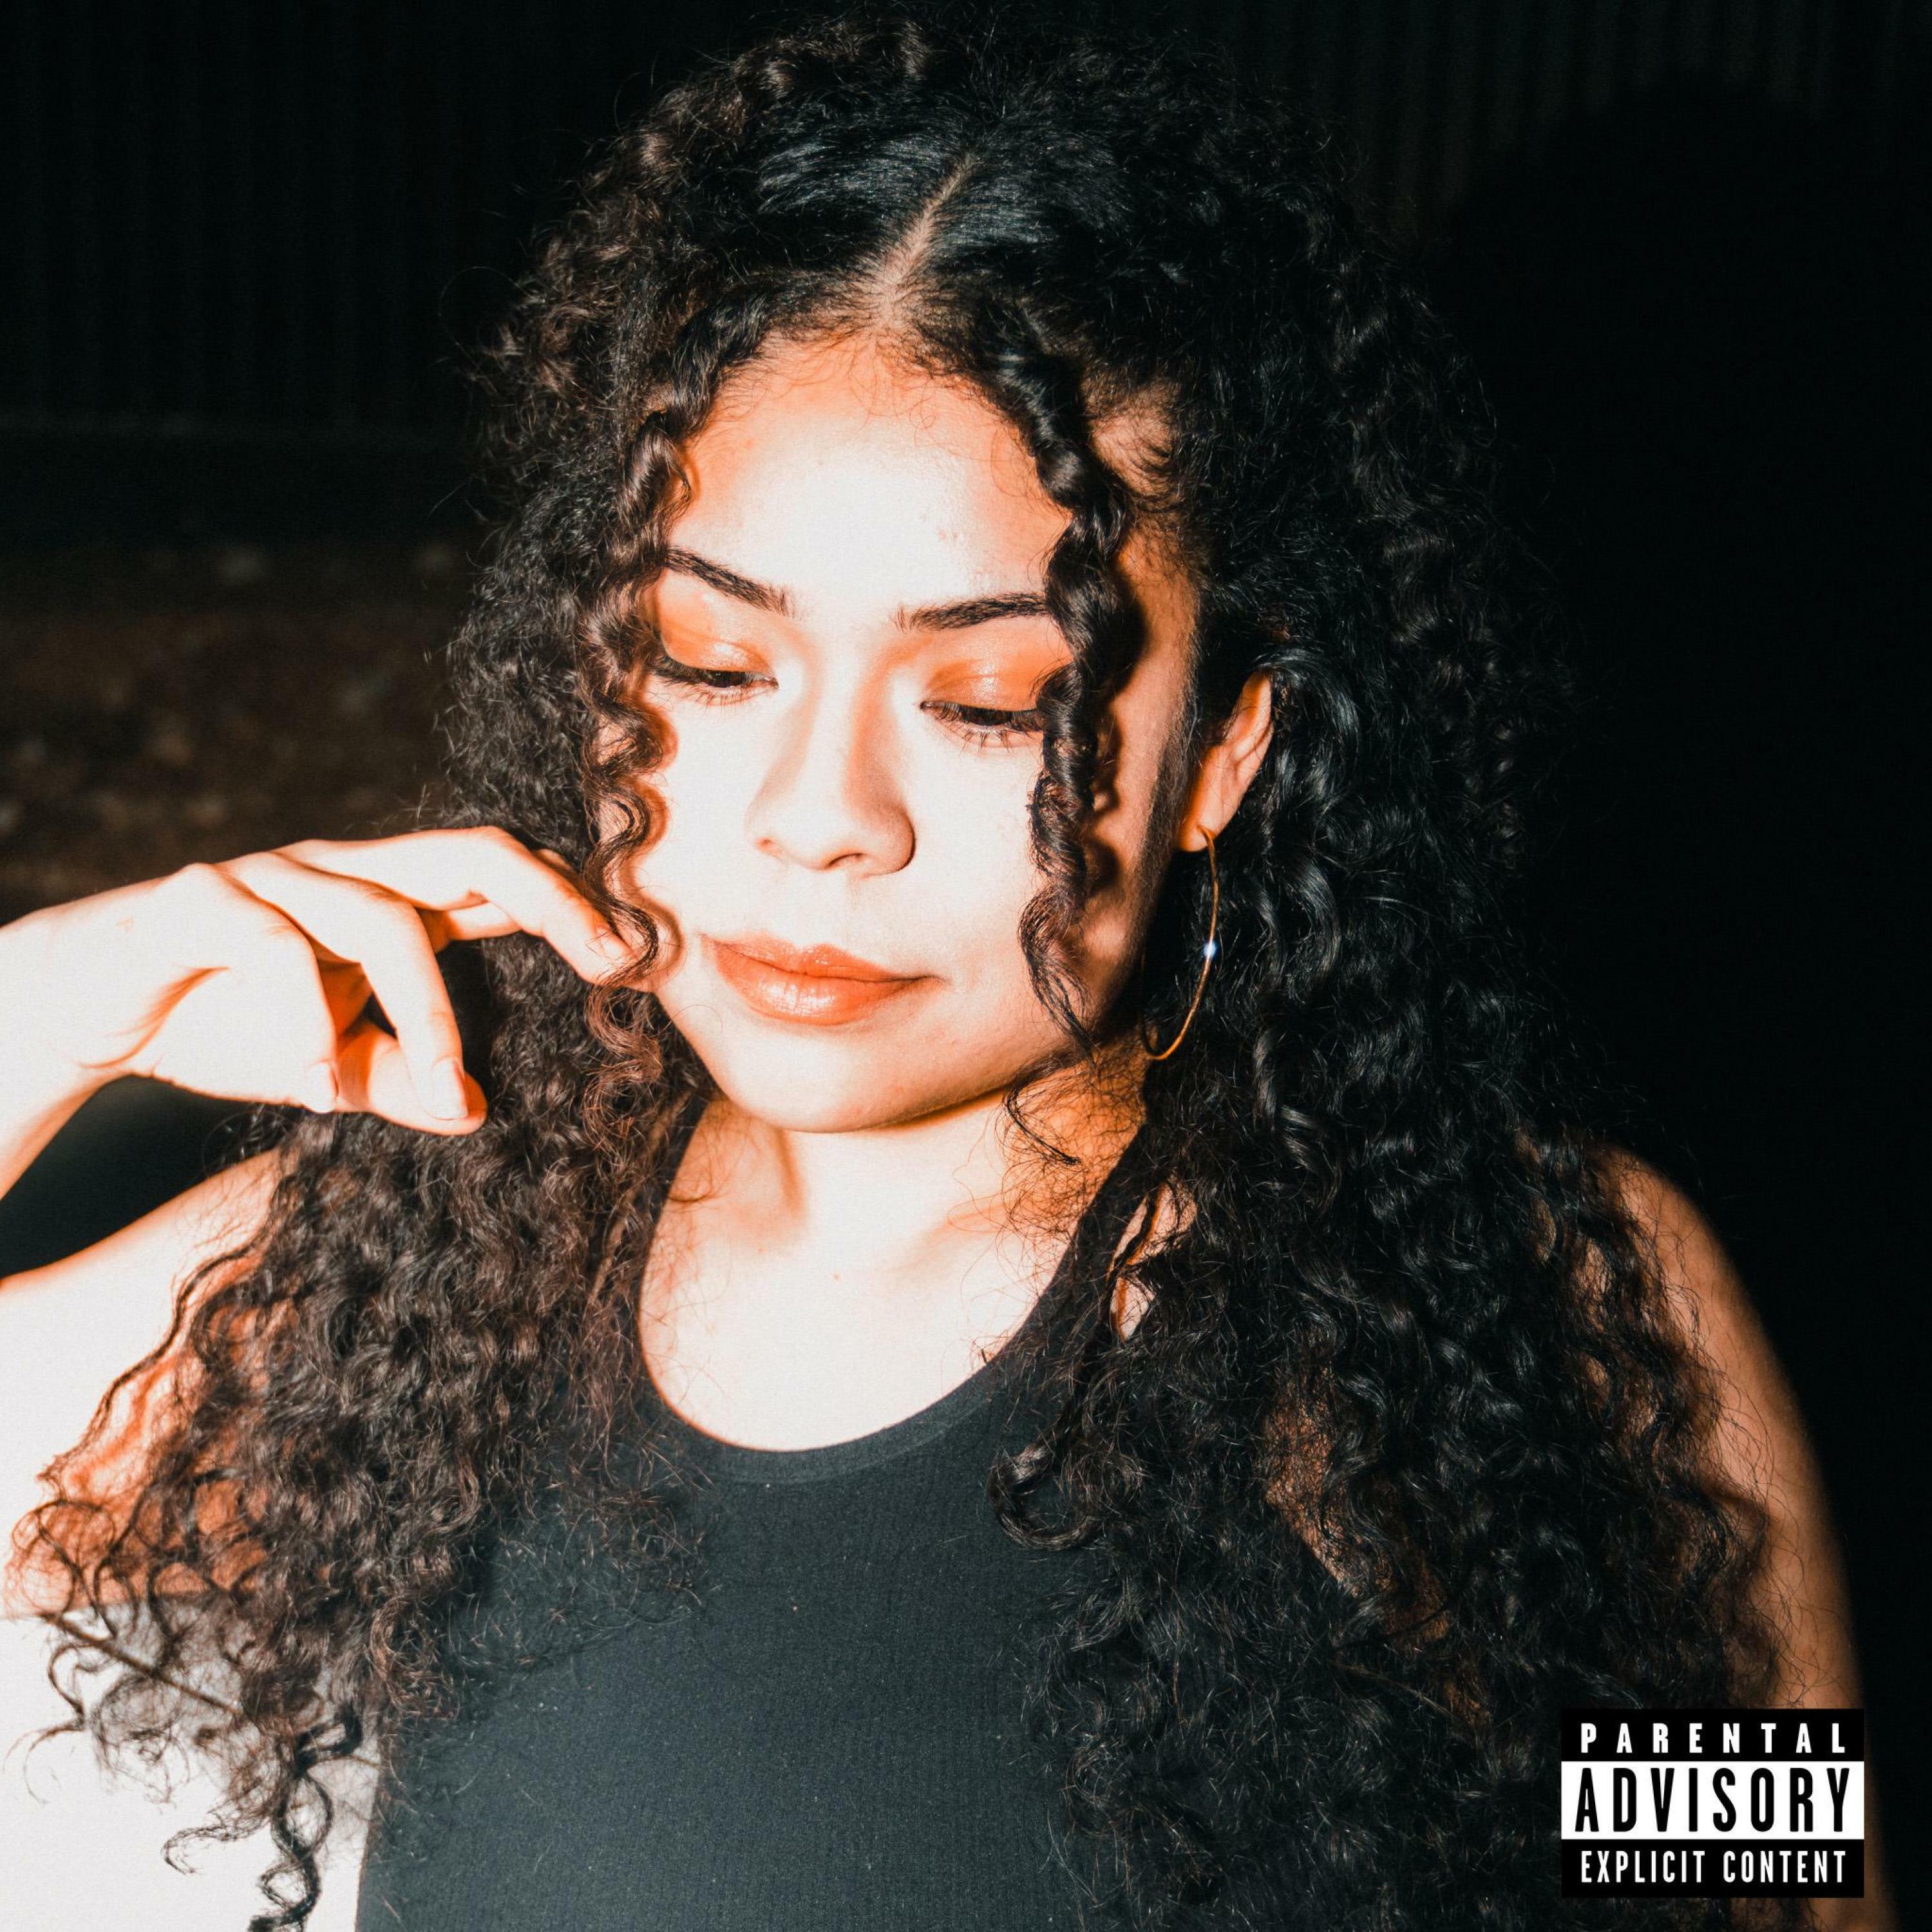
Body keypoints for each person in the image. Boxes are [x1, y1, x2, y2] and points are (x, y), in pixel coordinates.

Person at [0, 10, 1889, 1929]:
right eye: (711, 664)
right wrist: (51, 1009)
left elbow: (1782, 1897)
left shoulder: (1491, 1300)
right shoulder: (451, 1258)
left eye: (993, 701)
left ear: (1221, 751)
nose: (822, 816)